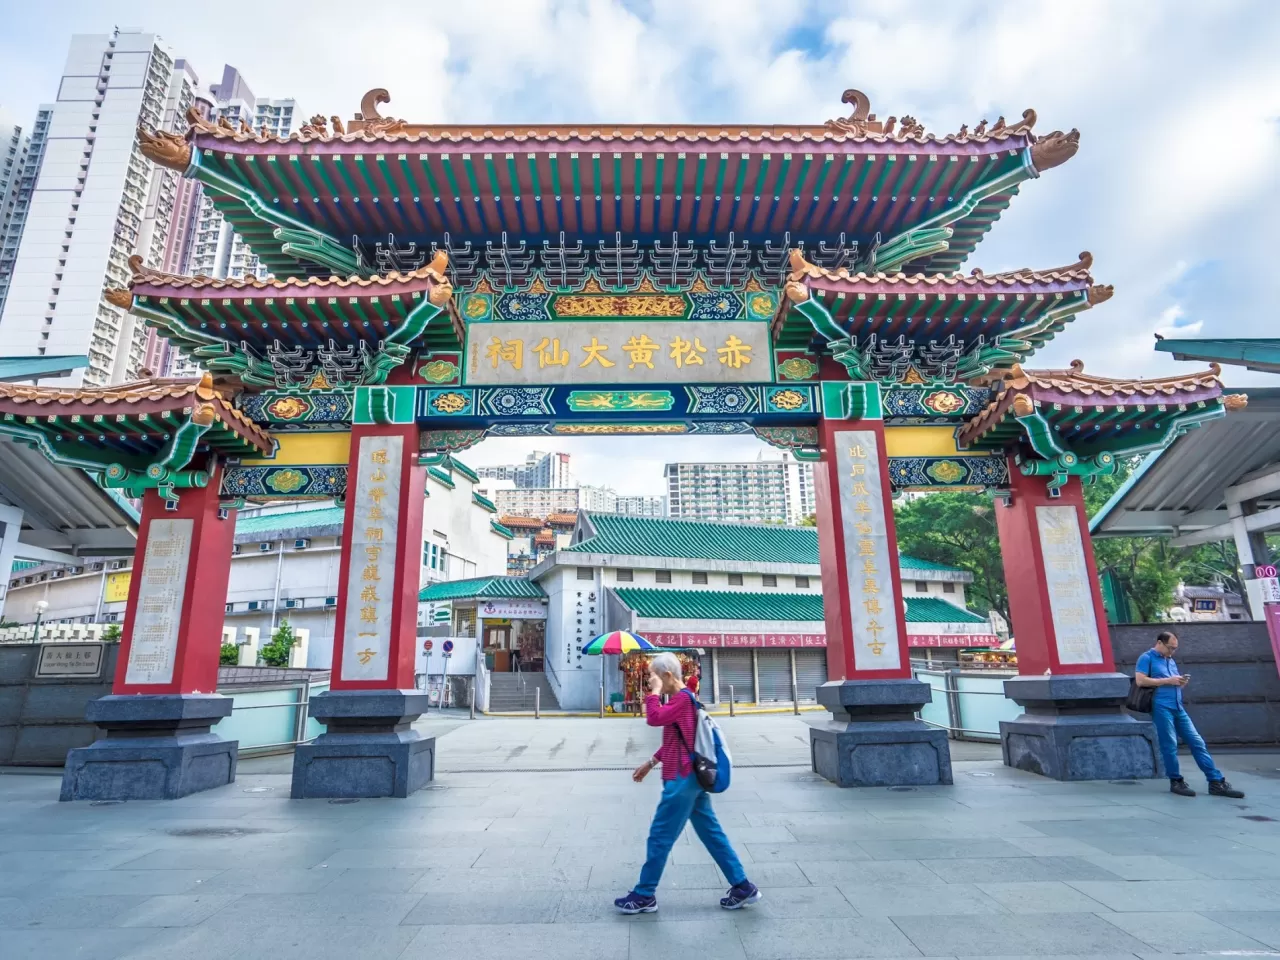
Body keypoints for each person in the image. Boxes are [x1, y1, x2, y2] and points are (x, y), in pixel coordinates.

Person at [614, 652, 760, 914]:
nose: (650, 681)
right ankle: (742, 886)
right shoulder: (684, 699)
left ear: (668, 676)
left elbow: (653, 717)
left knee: (660, 835)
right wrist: (650, 763)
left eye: (653, 676)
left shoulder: (682, 699)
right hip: (689, 778)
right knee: (711, 833)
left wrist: (654, 693)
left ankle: (644, 894)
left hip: (682, 779)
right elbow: (675, 740)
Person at [1135, 630, 1244, 798]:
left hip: (1178, 706)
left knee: (1197, 742)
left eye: (1175, 649)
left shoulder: (1170, 660)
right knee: (1169, 744)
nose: (1172, 651)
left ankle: (1215, 781)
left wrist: (1180, 682)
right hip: (1161, 706)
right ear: (1159, 643)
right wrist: (1168, 681)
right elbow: (1140, 680)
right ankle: (1176, 780)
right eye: (1170, 648)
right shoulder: (1146, 657)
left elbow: (1171, 681)